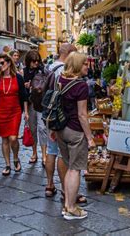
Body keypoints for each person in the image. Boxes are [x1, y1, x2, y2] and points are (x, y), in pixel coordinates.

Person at [55, 52, 95, 220]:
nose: (88, 66)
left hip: (60, 129)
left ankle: (67, 205)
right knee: (74, 169)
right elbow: (82, 115)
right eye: (85, 64)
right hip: (75, 131)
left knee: (68, 165)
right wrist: (90, 137)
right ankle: (72, 208)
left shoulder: (60, 80)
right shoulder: (81, 86)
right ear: (78, 65)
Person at [43, 43, 83, 201]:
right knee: (62, 154)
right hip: (61, 117)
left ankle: (49, 184)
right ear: (70, 54)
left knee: (51, 151)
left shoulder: (50, 67)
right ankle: (65, 190)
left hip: (49, 114)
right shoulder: (63, 70)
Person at [0, 53, 29, 176]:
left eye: (2, 63)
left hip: (15, 111)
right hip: (1, 111)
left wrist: (25, 111)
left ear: (9, 63)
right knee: (4, 139)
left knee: (13, 138)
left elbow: (24, 95)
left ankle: (15, 158)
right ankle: (8, 164)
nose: (0, 65)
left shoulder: (18, 78)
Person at [23, 50, 46, 165]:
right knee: (32, 129)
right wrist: (25, 111)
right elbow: (23, 94)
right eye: (33, 61)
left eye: (37, 61)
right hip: (31, 103)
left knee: (42, 128)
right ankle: (34, 153)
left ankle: (44, 155)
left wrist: (33, 85)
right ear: (28, 61)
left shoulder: (43, 70)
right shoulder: (25, 72)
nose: (36, 63)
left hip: (41, 104)